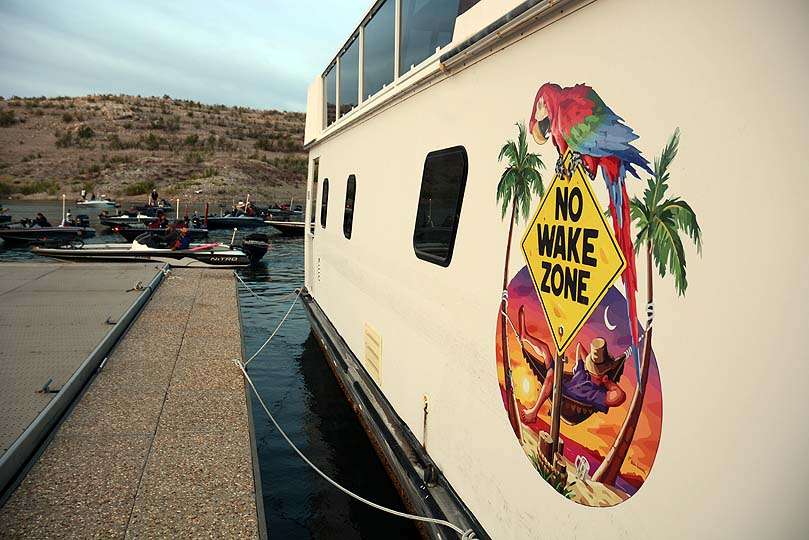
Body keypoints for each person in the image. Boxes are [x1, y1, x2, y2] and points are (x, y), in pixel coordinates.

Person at [518, 308, 629, 423]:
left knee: (551, 374)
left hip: (562, 395)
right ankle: (525, 337)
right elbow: (579, 347)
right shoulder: (583, 373)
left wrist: (606, 381)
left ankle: (534, 412)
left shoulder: (597, 394)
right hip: (561, 383)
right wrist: (591, 366)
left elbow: (621, 396)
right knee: (545, 349)